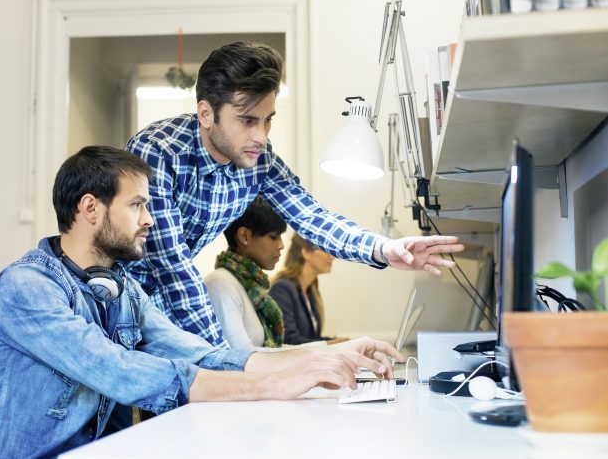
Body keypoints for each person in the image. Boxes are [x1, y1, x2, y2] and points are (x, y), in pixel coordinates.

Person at [0, 146, 404, 458]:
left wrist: (326, 355)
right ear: (90, 208)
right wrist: (275, 385)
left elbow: (208, 357)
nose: (149, 220)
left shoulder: (123, 289)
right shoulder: (27, 287)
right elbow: (121, 370)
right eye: (137, 205)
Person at [125, 41, 463, 347]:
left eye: (268, 120)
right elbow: (173, 267)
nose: (261, 136)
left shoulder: (258, 160)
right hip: (106, 300)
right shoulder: (158, 152)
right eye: (247, 121)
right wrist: (234, 363)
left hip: (157, 308)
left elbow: (312, 217)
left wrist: (383, 249)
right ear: (206, 114)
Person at [205, 197, 287, 350]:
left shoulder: (251, 287)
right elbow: (242, 356)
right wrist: (318, 352)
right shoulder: (221, 284)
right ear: (244, 236)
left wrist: (324, 348)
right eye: (274, 237)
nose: (281, 245)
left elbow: (269, 352)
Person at [271, 233, 338, 345]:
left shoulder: (310, 290)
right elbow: (289, 340)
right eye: (325, 249)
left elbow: (312, 338)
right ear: (306, 252)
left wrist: (340, 342)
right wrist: (333, 344)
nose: (332, 256)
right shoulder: (282, 289)